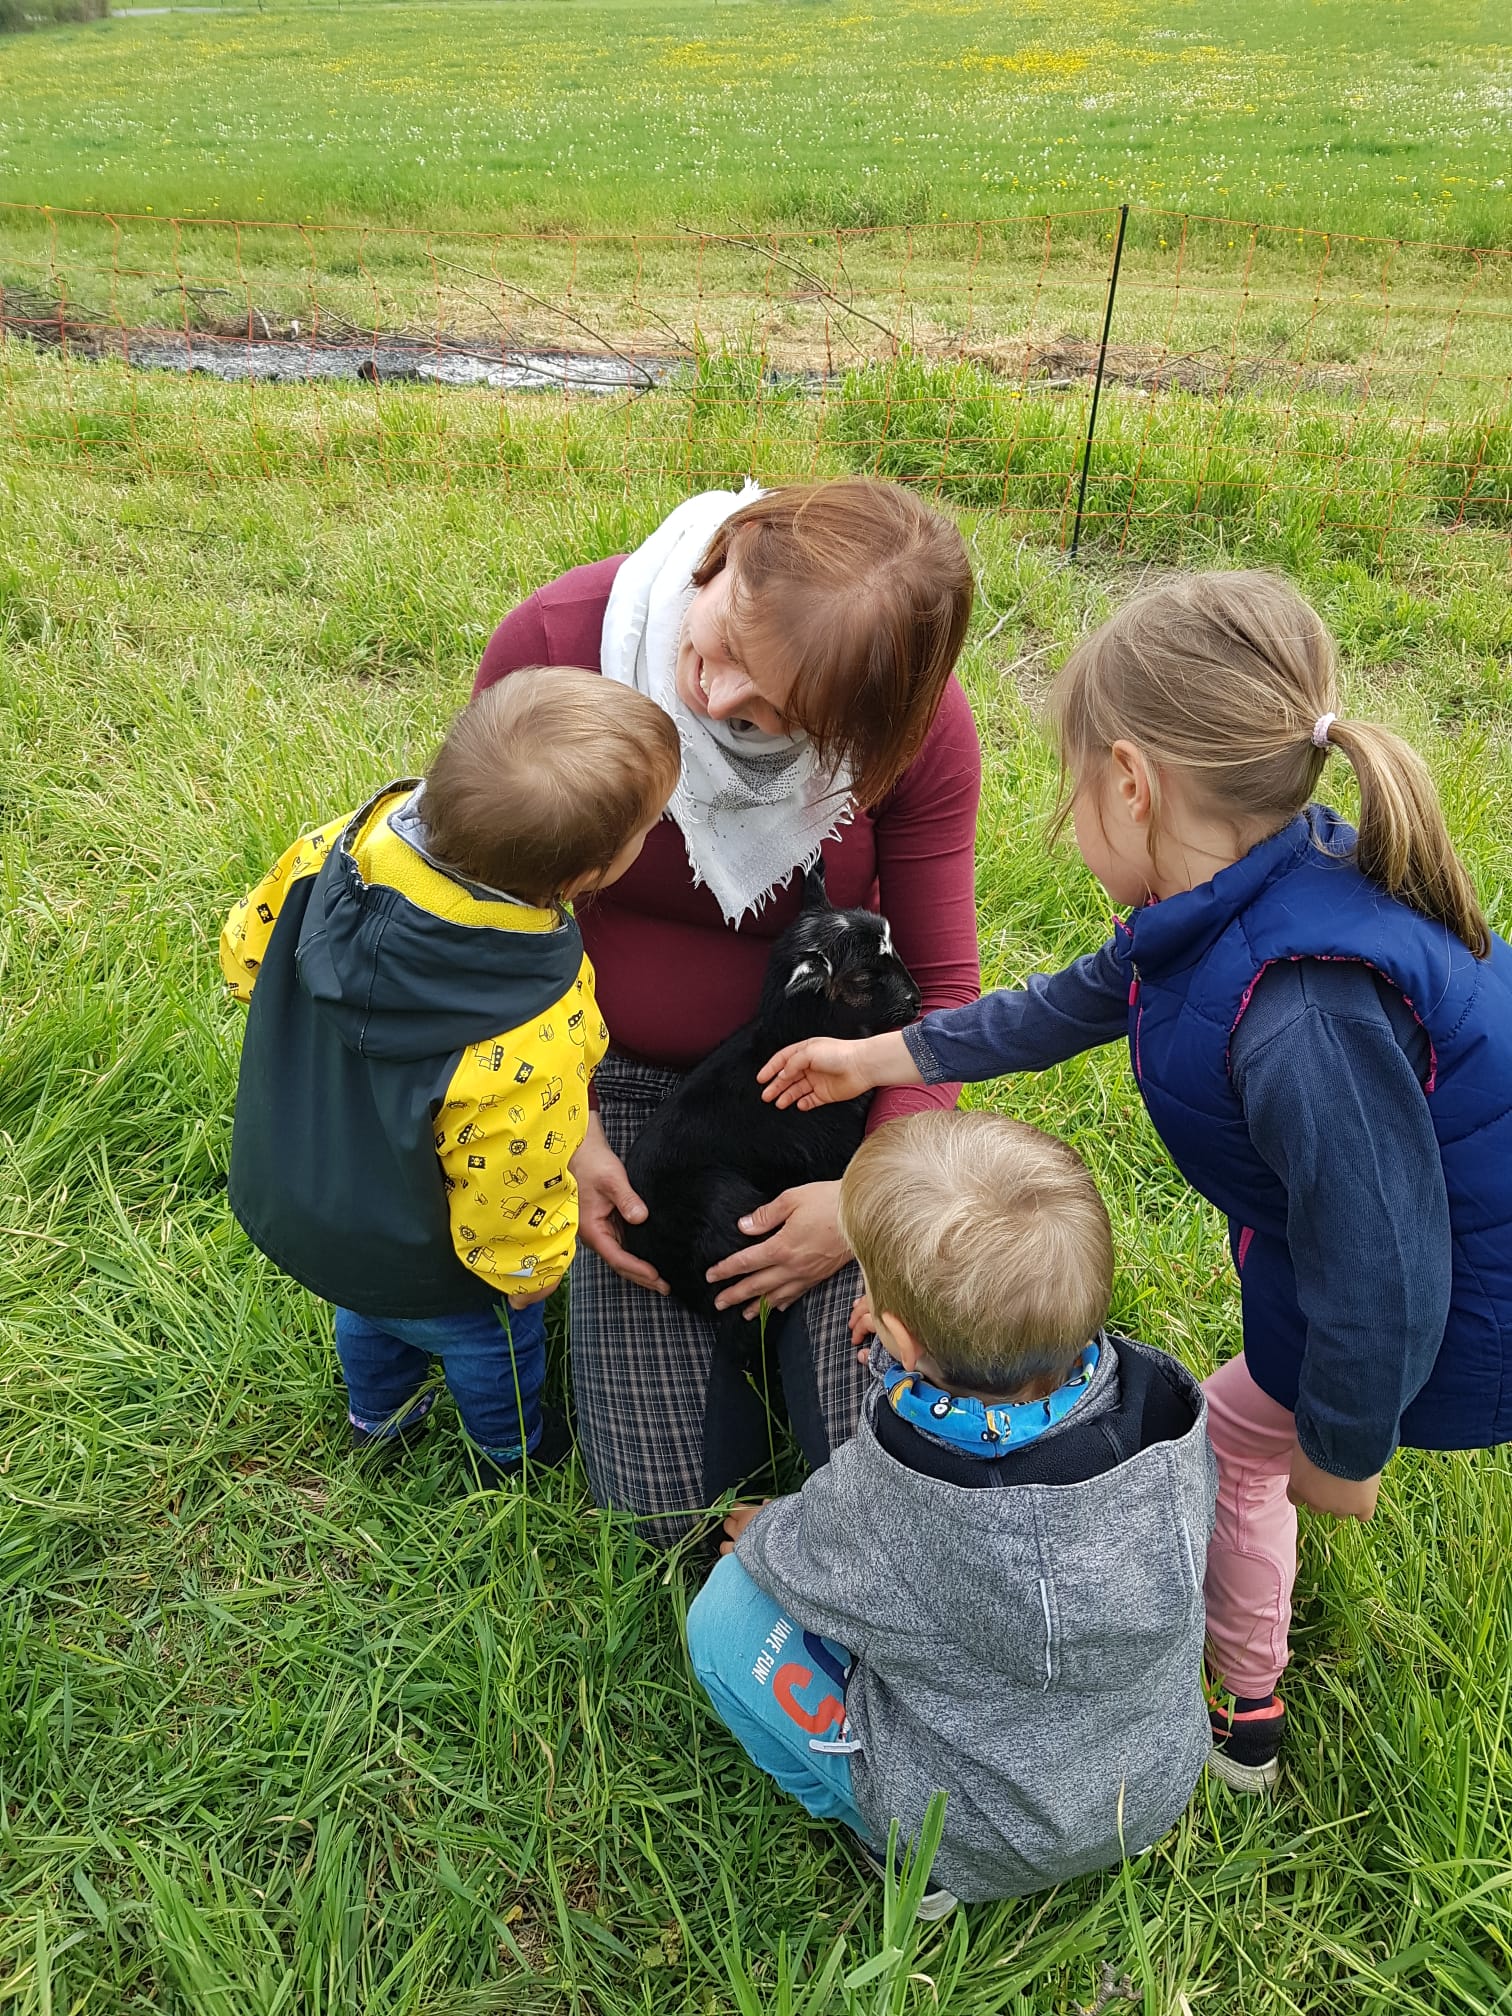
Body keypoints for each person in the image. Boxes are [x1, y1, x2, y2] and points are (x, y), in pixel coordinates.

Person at [759, 570, 1512, 1791]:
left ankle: (1242, 1710)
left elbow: (1384, 1265)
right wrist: (883, 1056)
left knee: (1234, 1448)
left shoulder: (1303, 1015)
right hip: (1381, 1258)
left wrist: (1346, 1444)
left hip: (1459, 1305)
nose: (1073, 821)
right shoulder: (1244, 892)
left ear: (1129, 783)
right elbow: (1066, 1005)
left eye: (1071, 793)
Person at [472, 478, 981, 1541]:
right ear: (721, 558)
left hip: (836, 1096)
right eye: (718, 646)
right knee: (666, 1512)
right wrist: (564, 1125)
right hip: (618, 1098)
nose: (712, 699)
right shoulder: (559, 647)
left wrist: (866, 1199)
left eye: (772, 711)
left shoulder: (911, 727)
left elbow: (942, 992)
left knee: (915, 1482)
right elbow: (482, 922)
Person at [686, 1111, 1216, 1907]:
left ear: (900, 1338)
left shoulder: (893, 1496)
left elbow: (806, 1563)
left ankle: (906, 1861)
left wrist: (766, 1534)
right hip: (1148, 1787)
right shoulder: (1169, 1419)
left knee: (723, 1616)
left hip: (973, 1834)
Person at [219, 669, 681, 1482]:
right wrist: (527, 1271)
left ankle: (379, 1417)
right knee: (488, 1349)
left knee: (366, 1315)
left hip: (319, 1202)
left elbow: (247, 949)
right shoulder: (530, 1019)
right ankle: (511, 1454)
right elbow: (513, 1170)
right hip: (433, 1254)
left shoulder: (333, 852)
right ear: (583, 880)